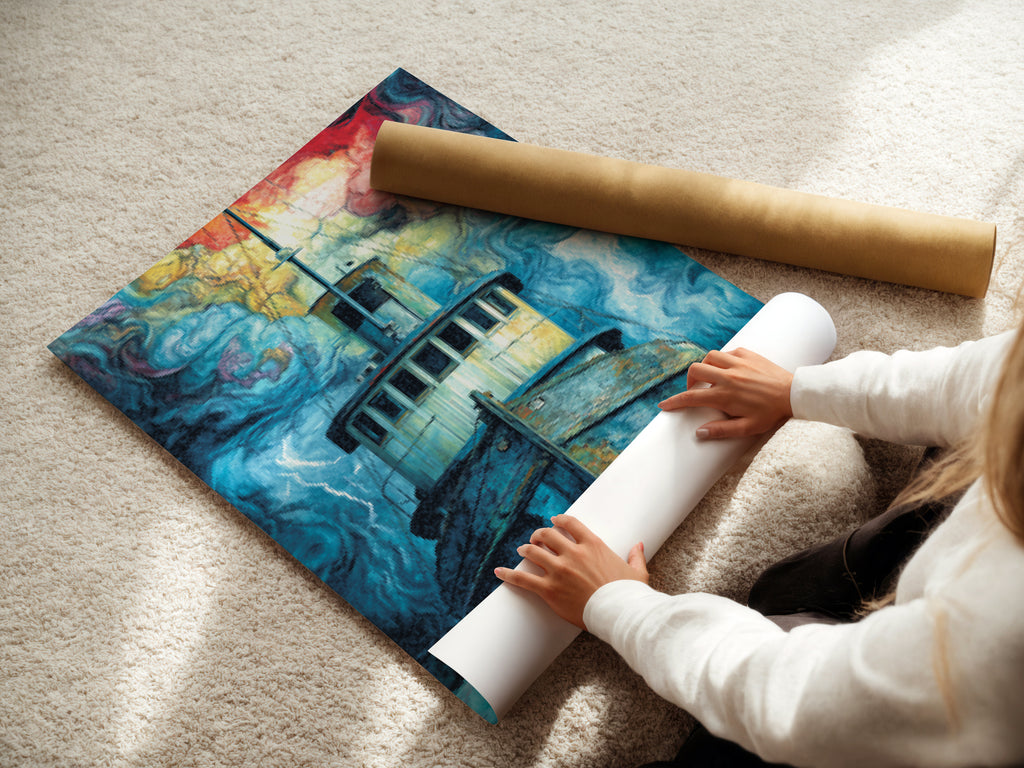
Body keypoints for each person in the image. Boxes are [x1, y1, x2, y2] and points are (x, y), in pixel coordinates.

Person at [494, 324, 1024, 767]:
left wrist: (618, 605)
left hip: (944, 720)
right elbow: (984, 378)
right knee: (788, 591)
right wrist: (797, 390)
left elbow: (795, 701)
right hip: (953, 602)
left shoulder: (999, 638)